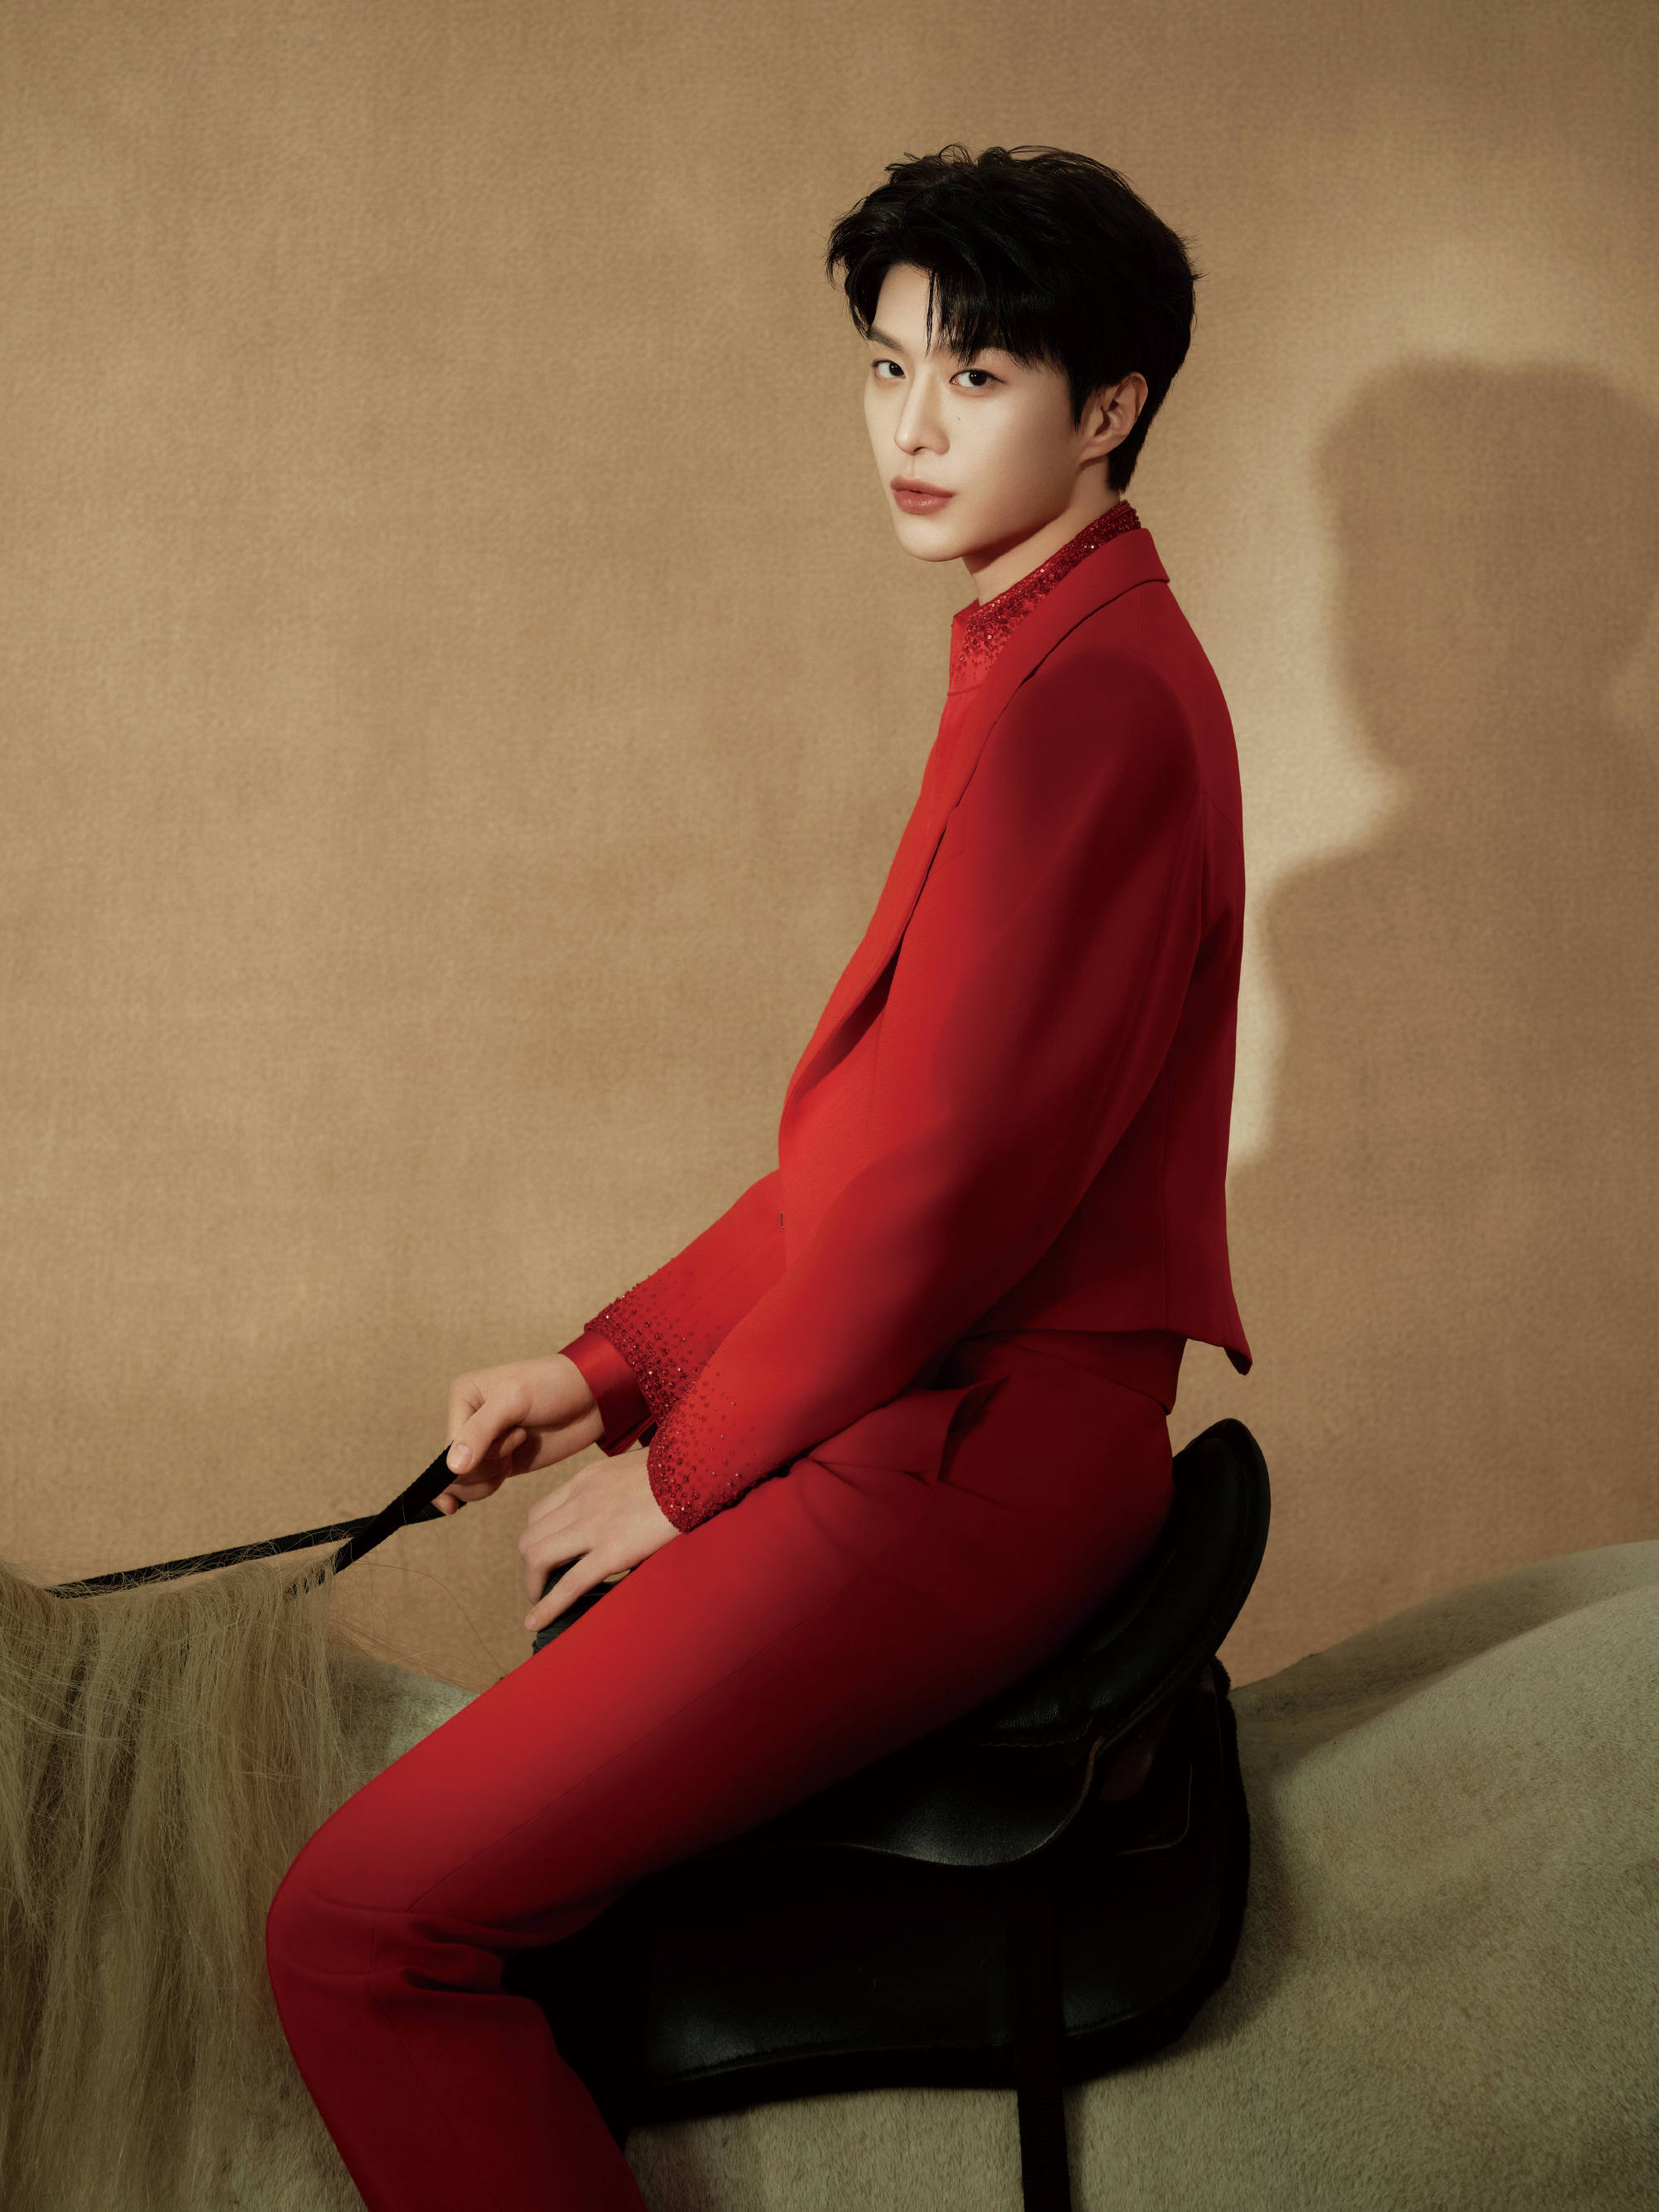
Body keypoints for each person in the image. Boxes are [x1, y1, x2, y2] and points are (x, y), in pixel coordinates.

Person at [265, 140, 1252, 2212]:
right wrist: (601, 1371)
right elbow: (863, 1154)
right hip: (938, 1408)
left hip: (981, 1448)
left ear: (1109, 405)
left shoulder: (1083, 707)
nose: (911, 426)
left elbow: (942, 1198)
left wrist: (690, 1469)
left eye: (975, 374)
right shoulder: (1036, 658)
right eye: (885, 366)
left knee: (359, 1930)